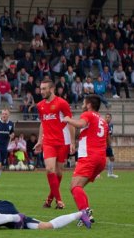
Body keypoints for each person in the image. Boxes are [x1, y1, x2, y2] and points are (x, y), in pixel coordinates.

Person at [60, 95, 108, 228]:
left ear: (88, 105)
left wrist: (68, 119)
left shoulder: (88, 114)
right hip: (100, 158)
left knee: (74, 187)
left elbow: (81, 124)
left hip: (89, 157)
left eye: (83, 102)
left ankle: (85, 212)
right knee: (78, 187)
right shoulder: (103, 120)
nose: (82, 105)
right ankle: (84, 214)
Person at [34, 78, 74, 209]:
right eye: (41, 89)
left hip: (63, 141)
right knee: (49, 169)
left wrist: (73, 142)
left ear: (51, 89)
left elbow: (70, 122)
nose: (42, 91)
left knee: (58, 173)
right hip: (49, 142)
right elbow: (42, 123)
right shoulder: (40, 105)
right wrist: (40, 140)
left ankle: (50, 199)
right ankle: (60, 201)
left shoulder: (62, 103)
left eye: (44, 89)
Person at [104, 112, 118, 178]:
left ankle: (110, 173)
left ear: (111, 118)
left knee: (112, 158)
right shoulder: (104, 125)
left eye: (108, 117)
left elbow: (110, 135)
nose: (107, 118)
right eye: (106, 117)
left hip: (108, 144)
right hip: (103, 144)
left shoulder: (111, 125)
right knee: (99, 159)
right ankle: (96, 174)